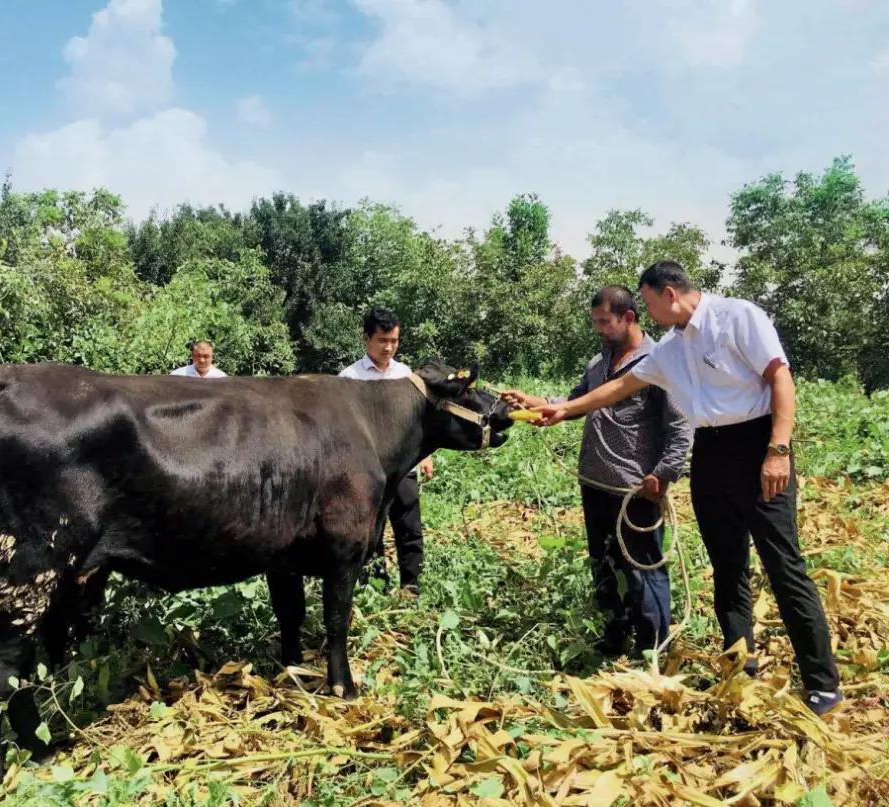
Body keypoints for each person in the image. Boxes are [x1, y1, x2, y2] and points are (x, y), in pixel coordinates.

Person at [507, 261, 843, 717]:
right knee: (727, 568)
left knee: (783, 565)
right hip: (710, 453)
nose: (643, 313)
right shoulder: (671, 347)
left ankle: (822, 682)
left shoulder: (738, 317)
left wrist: (778, 449)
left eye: (645, 303)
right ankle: (738, 666)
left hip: (757, 445)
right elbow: (616, 389)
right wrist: (562, 410)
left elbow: (780, 378)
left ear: (668, 294)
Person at [504, 286, 692, 659]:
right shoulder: (598, 363)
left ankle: (654, 648)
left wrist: (664, 473)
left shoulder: (659, 362)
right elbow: (572, 403)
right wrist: (536, 403)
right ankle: (614, 636)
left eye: (605, 322)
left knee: (642, 568)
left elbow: (681, 425)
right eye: (595, 322)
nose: (599, 329)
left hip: (635, 490)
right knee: (604, 565)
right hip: (595, 484)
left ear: (629, 318)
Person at [339, 308, 434, 597]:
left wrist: (426, 454)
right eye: (382, 340)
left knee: (408, 524)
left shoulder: (407, 376)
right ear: (366, 339)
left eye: (394, 340)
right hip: (366, 470)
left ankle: (411, 585)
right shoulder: (349, 378)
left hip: (404, 466)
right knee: (371, 530)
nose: (389, 347)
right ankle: (376, 586)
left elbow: (419, 422)